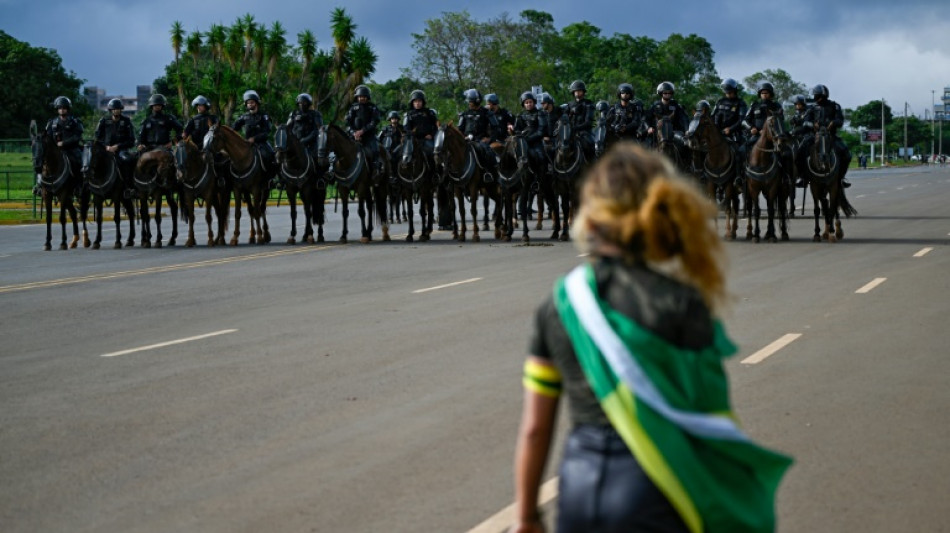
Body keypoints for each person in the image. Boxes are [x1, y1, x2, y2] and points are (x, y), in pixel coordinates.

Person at [512, 142, 793, 533]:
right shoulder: (682, 302)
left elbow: (534, 429)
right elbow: (709, 417)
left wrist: (526, 515)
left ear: (590, 220)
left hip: (579, 488)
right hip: (656, 489)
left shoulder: (559, 303)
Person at [801, 84, 852, 187]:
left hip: (831, 136)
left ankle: (841, 178)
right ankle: (804, 178)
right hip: (815, 136)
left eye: (817, 96)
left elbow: (840, 120)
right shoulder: (811, 108)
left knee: (847, 154)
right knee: (800, 152)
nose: (815, 98)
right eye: (814, 96)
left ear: (823, 95)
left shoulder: (834, 106)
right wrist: (812, 124)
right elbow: (805, 121)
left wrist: (833, 122)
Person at [42, 96, 84, 195]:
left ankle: (79, 186)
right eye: (60, 108)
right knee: (41, 163)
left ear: (68, 109)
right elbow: (46, 136)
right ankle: (40, 186)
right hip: (55, 151)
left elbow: (77, 136)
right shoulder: (51, 122)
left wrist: (64, 143)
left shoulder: (75, 121)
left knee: (80, 162)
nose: (62, 110)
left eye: (64, 108)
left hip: (72, 149)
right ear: (57, 109)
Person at [232, 89, 277, 177]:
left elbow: (266, 133)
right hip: (247, 143)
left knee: (271, 156)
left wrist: (255, 139)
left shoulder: (264, 116)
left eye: (252, 102)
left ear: (256, 103)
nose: (250, 104)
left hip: (261, 143)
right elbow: (233, 129)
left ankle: (271, 179)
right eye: (248, 103)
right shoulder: (244, 117)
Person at [94, 98, 136, 190]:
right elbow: (97, 138)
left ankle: (129, 186)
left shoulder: (127, 121)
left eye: (118, 109)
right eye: (114, 109)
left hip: (121, 150)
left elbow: (131, 140)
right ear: (110, 110)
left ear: (121, 110)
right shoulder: (103, 121)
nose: (116, 111)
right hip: (106, 150)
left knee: (128, 160)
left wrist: (117, 146)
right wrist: (106, 147)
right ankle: (90, 187)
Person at [457, 88, 499, 181]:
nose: (469, 103)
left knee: (487, 152)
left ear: (476, 101)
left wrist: (489, 139)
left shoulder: (487, 113)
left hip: (480, 140)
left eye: (470, 101)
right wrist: (463, 137)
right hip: (466, 140)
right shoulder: (464, 114)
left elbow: (495, 128)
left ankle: (488, 173)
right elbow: (460, 129)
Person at [508, 91, 550, 179]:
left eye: (530, 102)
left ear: (534, 102)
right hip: (522, 143)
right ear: (523, 104)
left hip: (536, 143)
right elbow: (517, 130)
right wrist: (512, 130)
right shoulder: (520, 115)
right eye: (526, 102)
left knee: (542, 157)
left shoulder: (540, 113)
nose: (529, 104)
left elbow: (541, 131)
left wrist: (528, 139)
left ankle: (543, 178)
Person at [344, 84, 383, 176]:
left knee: (375, 150)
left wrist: (362, 131)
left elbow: (374, 122)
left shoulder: (373, 108)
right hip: (353, 136)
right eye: (360, 96)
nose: (362, 98)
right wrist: (354, 133)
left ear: (368, 97)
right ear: (357, 97)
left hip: (369, 136)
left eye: (364, 96)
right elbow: (348, 123)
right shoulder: (353, 108)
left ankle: (376, 169)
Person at [741, 81, 785, 160]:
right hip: (756, 135)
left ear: (770, 94)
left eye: (766, 93)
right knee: (741, 150)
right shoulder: (754, 105)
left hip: (773, 136)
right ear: (760, 94)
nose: (764, 94)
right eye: (762, 93)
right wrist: (751, 128)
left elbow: (780, 121)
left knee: (785, 154)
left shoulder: (776, 106)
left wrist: (766, 131)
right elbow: (744, 121)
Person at [646, 82, 690, 148]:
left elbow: (684, 118)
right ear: (661, 93)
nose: (667, 94)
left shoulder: (676, 106)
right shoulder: (654, 106)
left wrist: (687, 130)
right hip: (657, 131)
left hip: (673, 132)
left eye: (669, 93)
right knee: (646, 146)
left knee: (684, 144)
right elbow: (646, 118)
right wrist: (648, 128)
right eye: (665, 93)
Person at [403, 89, 440, 167]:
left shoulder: (429, 112)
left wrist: (432, 135)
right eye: (415, 101)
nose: (417, 103)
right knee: (399, 153)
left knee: (434, 153)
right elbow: (406, 129)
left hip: (427, 139)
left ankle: (437, 172)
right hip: (413, 140)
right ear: (412, 102)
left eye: (419, 101)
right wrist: (413, 136)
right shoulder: (408, 114)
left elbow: (437, 126)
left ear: (423, 102)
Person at [564, 80, 596, 161]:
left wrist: (575, 128)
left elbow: (588, 122)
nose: (577, 93)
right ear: (573, 92)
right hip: (570, 132)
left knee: (589, 144)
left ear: (583, 92)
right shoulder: (569, 105)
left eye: (579, 91)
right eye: (576, 91)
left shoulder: (589, 104)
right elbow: (564, 118)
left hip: (584, 132)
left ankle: (592, 164)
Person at [712, 78, 747, 147]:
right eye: (726, 92)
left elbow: (742, 120)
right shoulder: (720, 102)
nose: (728, 94)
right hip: (718, 132)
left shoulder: (740, 103)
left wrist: (730, 129)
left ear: (734, 91)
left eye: (730, 92)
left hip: (734, 133)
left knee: (741, 151)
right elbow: (713, 116)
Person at [788, 94, 811, 185]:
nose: (797, 106)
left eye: (799, 104)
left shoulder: (808, 112)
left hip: (807, 135)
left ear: (803, 104)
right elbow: (793, 125)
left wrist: (794, 131)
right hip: (797, 136)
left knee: (800, 153)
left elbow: (805, 126)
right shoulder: (797, 114)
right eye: (796, 104)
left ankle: (803, 176)